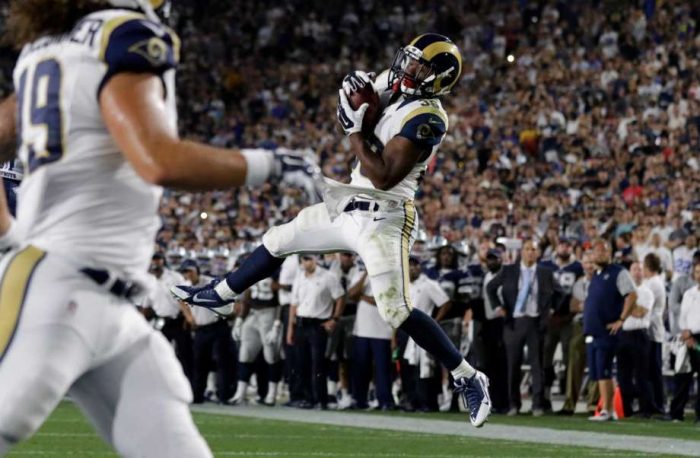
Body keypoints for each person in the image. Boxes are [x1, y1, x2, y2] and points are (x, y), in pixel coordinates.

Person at [0, 0, 316, 455]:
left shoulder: (44, 50)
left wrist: (9, 236)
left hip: (111, 305)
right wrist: (270, 163)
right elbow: (158, 161)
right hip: (61, 288)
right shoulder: (122, 34)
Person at [173, 33, 491, 427]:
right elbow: (354, 89)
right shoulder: (394, 87)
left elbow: (384, 176)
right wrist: (350, 90)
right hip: (347, 207)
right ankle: (220, 295)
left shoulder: (428, 117)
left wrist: (356, 132)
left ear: (438, 79)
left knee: (396, 310)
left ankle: (468, 376)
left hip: (385, 216)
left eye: (419, 66)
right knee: (280, 238)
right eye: (408, 59)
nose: (407, 68)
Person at [486, 239, 560, 416]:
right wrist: (498, 307)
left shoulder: (545, 272)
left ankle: (537, 405)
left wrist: (551, 309)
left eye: (533, 249)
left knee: (537, 365)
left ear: (538, 253)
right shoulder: (509, 270)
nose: (530, 252)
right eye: (527, 249)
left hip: (535, 321)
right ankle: (513, 404)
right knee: (513, 365)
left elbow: (560, 292)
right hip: (514, 322)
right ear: (522, 252)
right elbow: (491, 287)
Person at [583, 239, 637, 422]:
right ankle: (607, 409)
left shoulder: (618, 272)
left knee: (604, 371)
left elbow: (631, 295)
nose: (600, 254)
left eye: (603, 251)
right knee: (598, 372)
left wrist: (621, 320)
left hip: (607, 332)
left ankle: (607, 409)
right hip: (593, 331)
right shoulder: (596, 275)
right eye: (596, 251)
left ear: (610, 253)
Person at [287, 255, 345, 409]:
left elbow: (340, 296)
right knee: (302, 363)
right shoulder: (299, 277)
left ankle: (321, 399)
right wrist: (290, 329)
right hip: (300, 324)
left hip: (317, 325)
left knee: (318, 365)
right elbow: (294, 304)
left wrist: (335, 319)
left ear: (316, 260)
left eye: (309, 259)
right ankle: (307, 398)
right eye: (303, 260)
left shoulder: (328, 277)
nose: (306, 263)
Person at [179, 259, 234, 404]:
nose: (188, 274)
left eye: (189, 271)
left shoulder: (210, 282)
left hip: (218, 326)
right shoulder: (185, 286)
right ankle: (197, 396)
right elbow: (180, 301)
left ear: (196, 270)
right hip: (201, 329)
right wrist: (189, 317)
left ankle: (223, 396)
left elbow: (227, 296)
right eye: (185, 272)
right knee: (199, 364)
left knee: (221, 362)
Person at [539, 238, 584, 411]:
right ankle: (546, 395)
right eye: (561, 244)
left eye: (567, 245)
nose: (564, 248)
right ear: (556, 247)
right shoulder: (545, 266)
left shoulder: (578, 267)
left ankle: (568, 399)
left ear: (571, 248)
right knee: (545, 358)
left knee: (568, 358)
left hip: (567, 319)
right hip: (549, 320)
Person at [229, 269, 282, 406]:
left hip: (269, 313)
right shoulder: (254, 272)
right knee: (245, 354)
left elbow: (282, 300)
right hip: (252, 314)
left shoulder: (278, 271)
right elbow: (247, 298)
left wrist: (277, 323)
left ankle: (272, 393)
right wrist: (240, 320)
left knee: (270, 355)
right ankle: (240, 393)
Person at [404, 255, 451, 411]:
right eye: (409, 264)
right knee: (409, 367)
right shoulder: (402, 284)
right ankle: (413, 400)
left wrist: (434, 322)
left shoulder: (428, 284)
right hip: (406, 330)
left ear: (420, 267)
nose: (412, 268)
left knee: (426, 367)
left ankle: (428, 402)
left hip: (423, 330)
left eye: (415, 265)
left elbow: (445, 302)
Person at [141, 252, 194, 386]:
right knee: (159, 354)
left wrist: (189, 318)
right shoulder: (148, 280)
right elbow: (146, 306)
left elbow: (186, 298)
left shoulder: (175, 277)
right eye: (152, 260)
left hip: (179, 320)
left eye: (157, 260)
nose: (155, 263)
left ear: (163, 261)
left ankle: (188, 386)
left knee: (185, 354)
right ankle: (161, 385)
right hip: (161, 322)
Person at [557, 251, 599, 416]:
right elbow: (573, 306)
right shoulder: (578, 283)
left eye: (591, 262)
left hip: (597, 325)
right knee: (574, 362)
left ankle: (593, 403)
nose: (589, 266)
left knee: (596, 363)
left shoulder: (601, 281)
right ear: (582, 265)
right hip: (580, 325)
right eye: (586, 262)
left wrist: (586, 306)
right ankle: (569, 403)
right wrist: (589, 306)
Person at [347, 269, 395, 410]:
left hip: (383, 330)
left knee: (382, 370)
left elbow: (384, 301)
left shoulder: (390, 275)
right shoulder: (359, 273)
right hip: (362, 330)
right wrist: (365, 274)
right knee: (360, 368)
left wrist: (362, 297)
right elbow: (351, 294)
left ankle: (385, 401)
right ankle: (359, 400)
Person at [616, 262, 654, 418]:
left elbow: (640, 313)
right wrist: (629, 304)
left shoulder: (647, 292)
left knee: (641, 375)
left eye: (640, 269)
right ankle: (626, 408)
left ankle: (645, 409)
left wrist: (626, 304)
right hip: (623, 333)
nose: (637, 272)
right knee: (623, 375)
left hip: (639, 334)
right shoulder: (622, 291)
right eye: (634, 269)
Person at [667, 262, 700, 423]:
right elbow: (683, 315)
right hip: (686, 338)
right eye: (697, 272)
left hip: (697, 337)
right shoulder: (689, 294)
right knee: (682, 374)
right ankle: (676, 413)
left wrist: (693, 334)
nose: (699, 274)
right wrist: (686, 334)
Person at [642, 253, 667, 414]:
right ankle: (656, 403)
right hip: (654, 330)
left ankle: (658, 404)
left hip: (652, 331)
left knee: (653, 370)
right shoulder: (655, 282)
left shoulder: (652, 284)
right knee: (652, 370)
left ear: (646, 267)